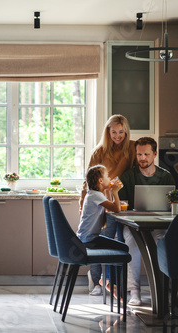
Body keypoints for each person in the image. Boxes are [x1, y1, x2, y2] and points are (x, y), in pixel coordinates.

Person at [79, 114, 136, 296]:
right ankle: (97, 281)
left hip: (124, 202)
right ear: (108, 132)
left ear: (126, 132)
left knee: (120, 243)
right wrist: (82, 204)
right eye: (114, 132)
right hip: (103, 203)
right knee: (101, 241)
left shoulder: (132, 148)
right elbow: (88, 179)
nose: (118, 136)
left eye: (121, 132)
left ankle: (117, 283)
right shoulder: (100, 151)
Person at [118, 137, 175, 306]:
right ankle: (134, 291)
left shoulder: (165, 176)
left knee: (162, 243)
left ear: (155, 154)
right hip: (133, 225)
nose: (142, 158)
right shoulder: (128, 176)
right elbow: (122, 204)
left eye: (146, 154)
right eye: (139, 154)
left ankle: (160, 289)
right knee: (131, 243)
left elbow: (172, 205)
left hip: (158, 224)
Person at [77, 165, 128, 254]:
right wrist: (115, 192)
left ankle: (113, 267)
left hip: (86, 238)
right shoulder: (96, 195)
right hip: (89, 240)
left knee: (121, 247)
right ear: (100, 180)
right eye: (107, 176)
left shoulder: (94, 194)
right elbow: (116, 209)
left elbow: (109, 209)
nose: (109, 178)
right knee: (123, 248)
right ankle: (117, 267)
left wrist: (108, 191)